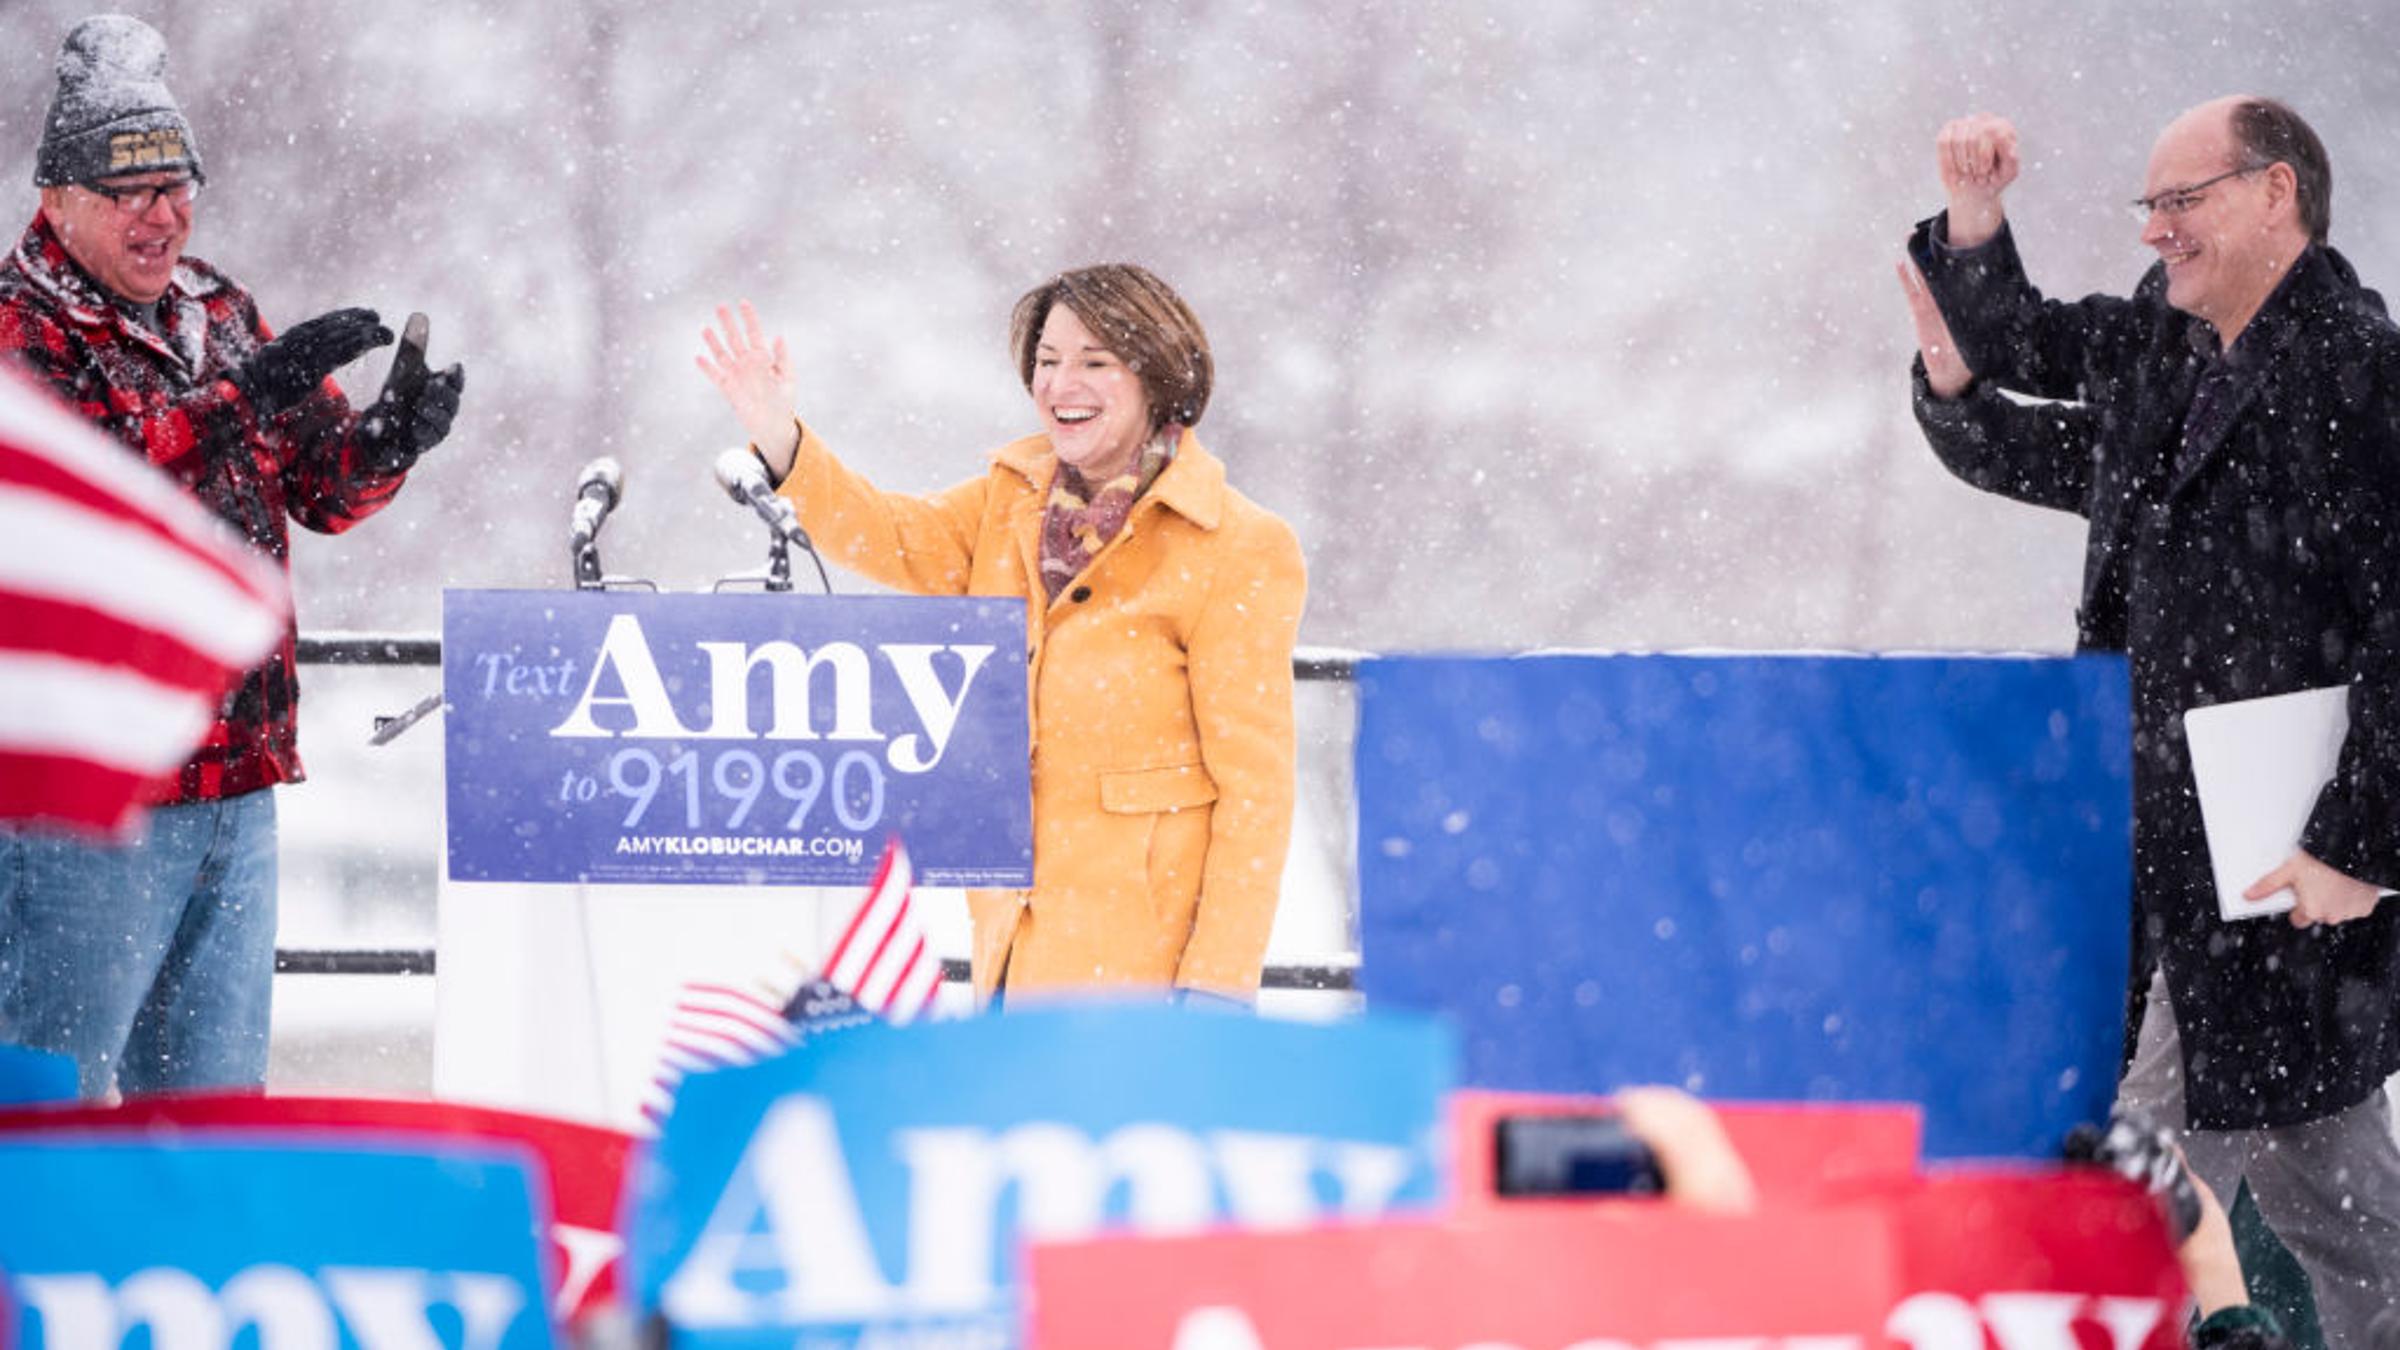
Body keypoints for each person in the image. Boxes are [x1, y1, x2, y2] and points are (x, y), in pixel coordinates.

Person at [1905, 97, 2400, 1343]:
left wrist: (2359, 849)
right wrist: (1973, 244)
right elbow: (2026, 372)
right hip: (2164, 857)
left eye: (2182, 202)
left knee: (2135, 1197)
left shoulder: (2359, 372)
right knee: (2332, 1191)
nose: (2157, 229)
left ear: (2275, 193)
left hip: (2281, 862)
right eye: (2150, 206)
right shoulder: (2164, 351)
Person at [0, 15, 464, 1099]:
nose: (163, 215)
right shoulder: (21, 328)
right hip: (85, 807)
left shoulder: (220, 310)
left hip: (236, 788)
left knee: (209, 1120)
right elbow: (80, 503)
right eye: (131, 192)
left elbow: (321, 490)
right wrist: (239, 398)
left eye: (178, 184)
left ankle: (182, 1272)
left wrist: (389, 444)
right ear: (58, 199)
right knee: (49, 1109)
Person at [696, 265, 1305, 1008]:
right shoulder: (1009, 500)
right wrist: (778, 434)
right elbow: (889, 534)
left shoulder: (1236, 545)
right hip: (1012, 949)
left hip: (1149, 976)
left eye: (1093, 362)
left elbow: (1257, 793)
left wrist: (1218, 985)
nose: (1059, 384)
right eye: (1046, 362)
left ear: (1155, 371)